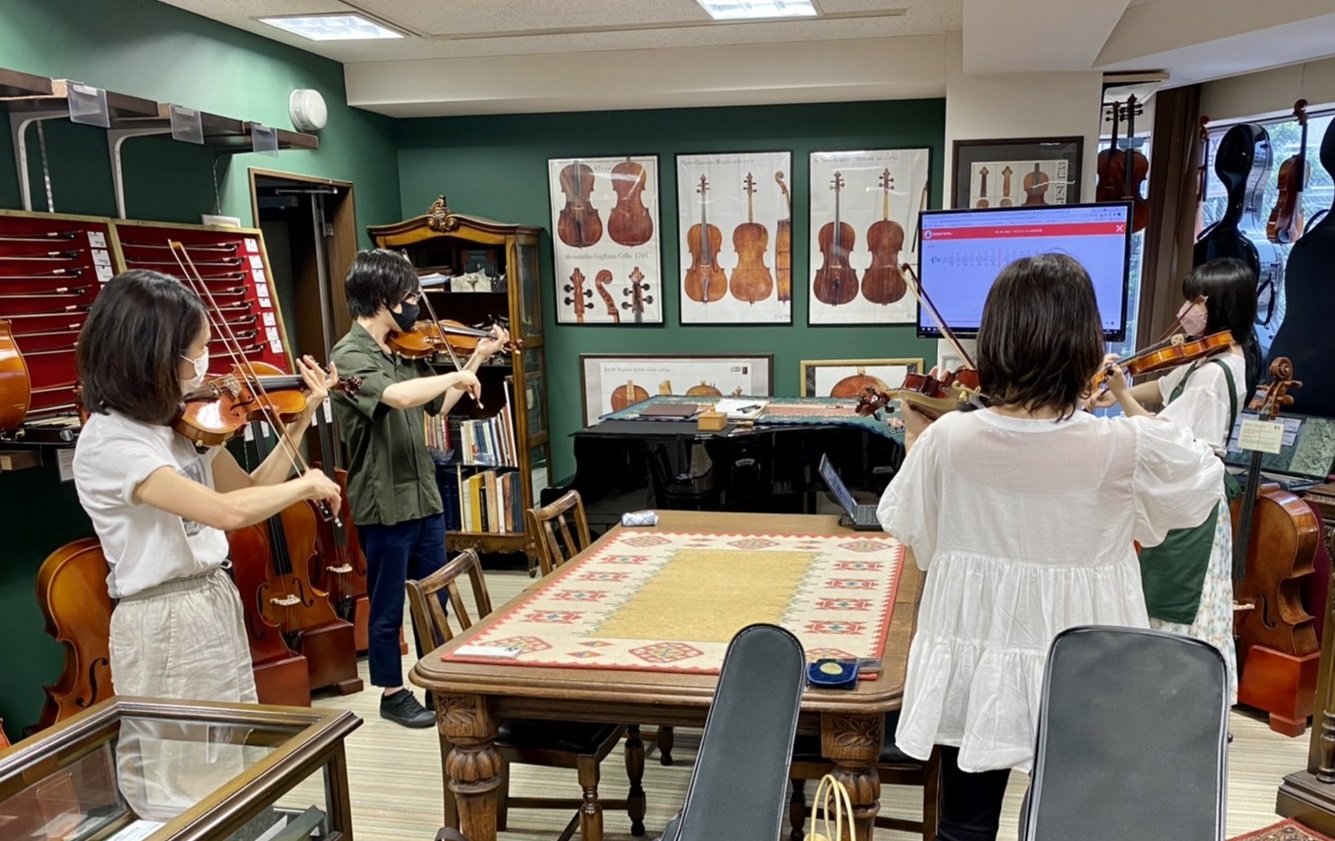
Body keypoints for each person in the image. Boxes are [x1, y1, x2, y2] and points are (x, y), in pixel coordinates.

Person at [877, 254, 1224, 841]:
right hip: (1085, 664)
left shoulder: (947, 440)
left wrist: (917, 437)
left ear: (997, 341)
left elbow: (922, 539)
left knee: (964, 826)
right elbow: (1202, 480)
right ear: (1086, 346)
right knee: (1072, 820)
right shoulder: (1125, 446)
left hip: (977, 655)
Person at [73, 269, 342, 702]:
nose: (207, 365)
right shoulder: (112, 442)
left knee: (230, 752)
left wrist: (304, 415)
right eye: (200, 351)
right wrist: (305, 486)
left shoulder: (183, 424)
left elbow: (249, 489)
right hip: (163, 617)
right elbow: (225, 513)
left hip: (214, 594)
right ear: (156, 355)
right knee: (182, 762)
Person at [330, 249, 508, 728]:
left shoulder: (403, 347)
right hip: (383, 498)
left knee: (437, 594)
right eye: (409, 296)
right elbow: (398, 397)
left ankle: (433, 681)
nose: (414, 305)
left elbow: (435, 407)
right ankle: (392, 692)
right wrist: (456, 372)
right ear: (383, 299)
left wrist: (475, 359)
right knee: (387, 603)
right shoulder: (348, 354)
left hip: (422, 492)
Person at [1093, 257, 1259, 702]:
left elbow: (1162, 436)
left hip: (1194, 502)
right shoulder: (1208, 356)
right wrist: (1114, 390)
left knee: (1181, 604)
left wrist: (1121, 394)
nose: (1186, 310)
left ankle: (1183, 701)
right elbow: (1165, 386)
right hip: (1183, 498)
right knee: (1169, 598)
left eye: (1197, 301)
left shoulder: (1215, 374)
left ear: (1221, 306)